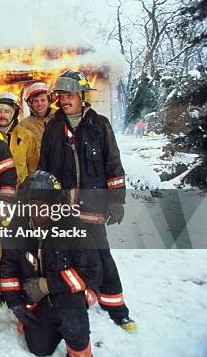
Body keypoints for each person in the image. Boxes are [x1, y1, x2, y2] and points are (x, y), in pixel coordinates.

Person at [39, 70, 136, 331]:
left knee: (101, 255)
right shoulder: (52, 128)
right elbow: (44, 168)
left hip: (92, 205)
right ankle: (77, 297)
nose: (64, 100)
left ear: (82, 96)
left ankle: (117, 309)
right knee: (65, 254)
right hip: (62, 208)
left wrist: (117, 200)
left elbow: (113, 165)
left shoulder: (100, 125)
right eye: (61, 95)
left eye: (69, 94)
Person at [1, 171, 102, 357]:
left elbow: (93, 272)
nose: (38, 208)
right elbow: (8, 267)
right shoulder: (18, 226)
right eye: (33, 202)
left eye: (44, 202)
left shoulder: (72, 226)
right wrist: (16, 303)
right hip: (39, 300)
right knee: (39, 348)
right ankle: (55, 324)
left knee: (71, 319)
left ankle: (80, 351)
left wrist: (48, 284)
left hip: (72, 295)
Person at [0, 92, 39, 184]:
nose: (2, 116)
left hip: (20, 192)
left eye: (7, 112)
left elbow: (33, 170)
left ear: (14, 113)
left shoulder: (27, 137)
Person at [18, 82, 54, 147]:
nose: (39, 104)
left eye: (43, 100)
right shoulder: (23, 125)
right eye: (36, 101)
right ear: (30, 104)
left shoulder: (59, 119)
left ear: (49, 102)